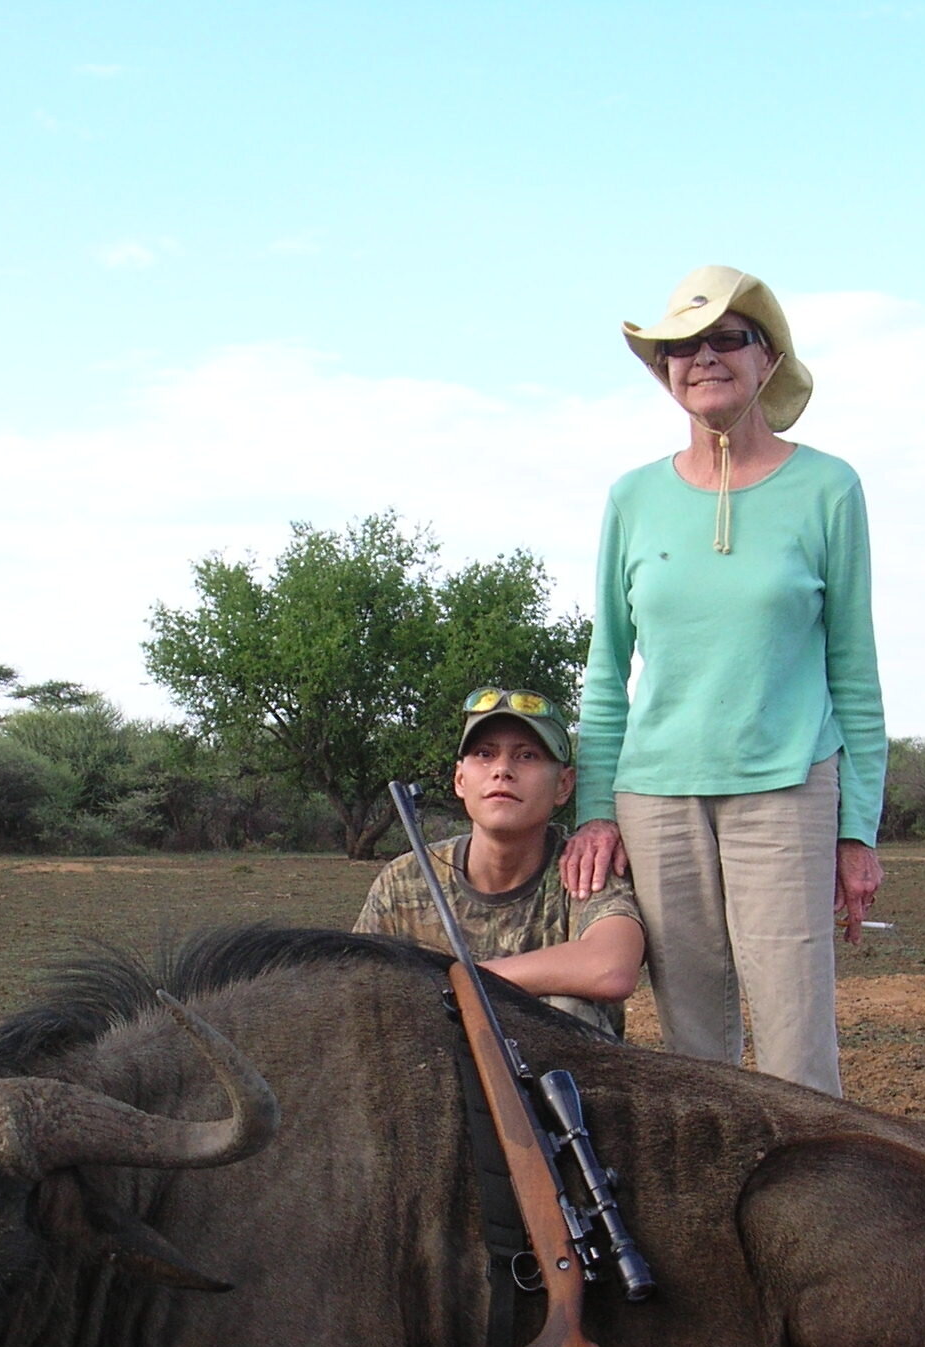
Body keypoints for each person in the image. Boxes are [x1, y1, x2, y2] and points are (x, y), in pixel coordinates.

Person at [561, 265, 885, 1094]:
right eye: (682, 347)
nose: (704, 358)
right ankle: (709, 1214)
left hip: (785, 784)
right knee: (691, 1045)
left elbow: (853, 668)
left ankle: (814, 1208)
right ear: (665, 371)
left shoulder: (828, 488)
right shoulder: (633, 497)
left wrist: (859, 831)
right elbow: (607, 669)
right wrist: (596, 807)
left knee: (796, 1040)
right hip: (656, 795)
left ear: (766, 359)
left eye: (726, 339)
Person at [356, 688, 646, 1036]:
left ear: (564, 785)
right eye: (484, 754)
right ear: (460, 779)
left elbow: (611, 967)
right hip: (433, 1075)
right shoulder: (403, 880)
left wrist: (461, 981)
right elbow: (355, 986)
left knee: (566, 1007)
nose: (502, 771)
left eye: (527, 756)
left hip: (565, 1083)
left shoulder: (584, 867)